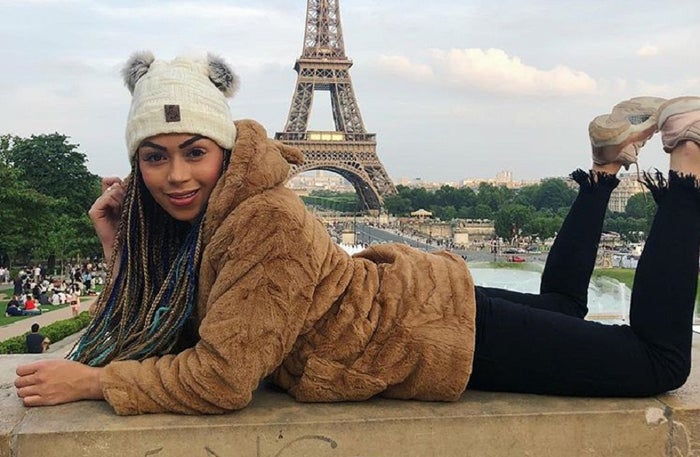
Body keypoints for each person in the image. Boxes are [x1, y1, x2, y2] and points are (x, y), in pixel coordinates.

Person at [12, 52, 700, 416]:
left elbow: (222, 378)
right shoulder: (218, 212)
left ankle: (688, 157)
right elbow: (167, 319)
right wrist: (116, 242)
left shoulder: (263, 220)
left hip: (426, 336)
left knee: (659, 364)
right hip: (415, 306)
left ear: (225, 149)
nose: (176, 175)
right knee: (565, 307)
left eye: (194, 151)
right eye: (155, 157)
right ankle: (605, 167)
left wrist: (97, 384)